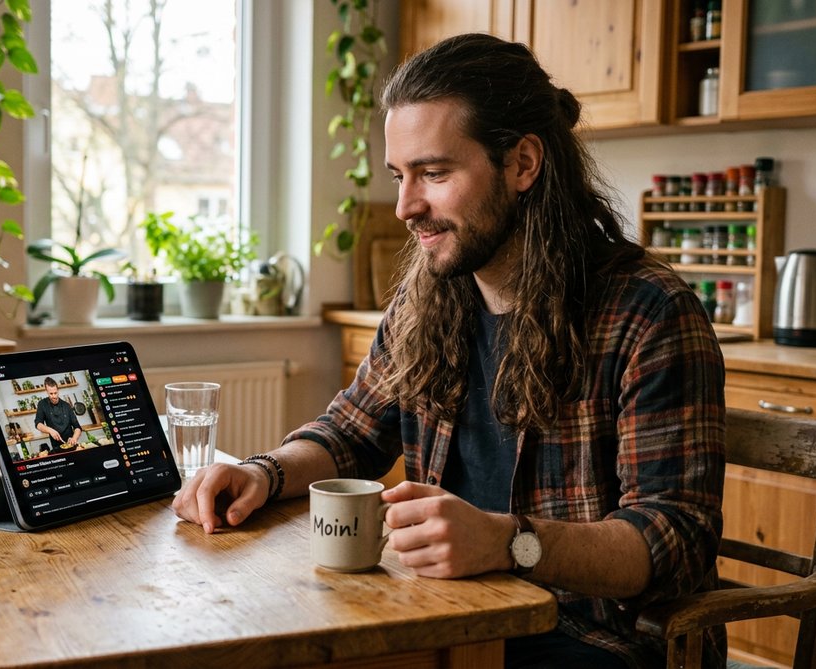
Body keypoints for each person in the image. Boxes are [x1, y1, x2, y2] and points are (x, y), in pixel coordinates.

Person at [172, 33, 726, 668]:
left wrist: (506, 542)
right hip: (448, 614)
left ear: (523, 164)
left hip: (599, 641)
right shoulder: (428, 299)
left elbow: (675, 540)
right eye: (399, 176)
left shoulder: (648, 312)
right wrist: (263, 473)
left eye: (434, 174)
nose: (405, 207)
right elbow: (349, 434)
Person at [34, 377, 81, 453]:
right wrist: (50, 430)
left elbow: (77, 427)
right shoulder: (42, 404)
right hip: (56, 448)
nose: (54, 396)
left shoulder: (66, 405)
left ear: (58, 390)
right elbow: (38, 424)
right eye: (51, 394)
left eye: (55, 393)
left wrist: (74, 438)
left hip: (71, 445)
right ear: (46, 391)